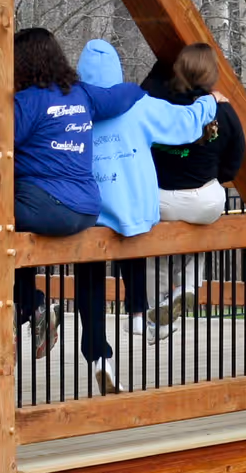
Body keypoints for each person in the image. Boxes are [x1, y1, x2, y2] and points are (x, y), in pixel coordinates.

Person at [70, 39, 222, 392]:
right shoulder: (137, 105)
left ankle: (97, 353)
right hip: (132, 206)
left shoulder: (74, 106)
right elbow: (184, 125)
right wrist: (210, 103)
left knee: (89, 281)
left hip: (87, 210)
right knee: (133, 243)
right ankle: (138, 312)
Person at [10, 27, 147, 359]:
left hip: (46, 208)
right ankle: (30, 304)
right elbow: (127, 93)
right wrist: (150, 91)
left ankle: (30, 303)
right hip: (87, 210)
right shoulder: (82, 95)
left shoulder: (24, 103)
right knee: (10, 222)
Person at [131, 43, 246, 340]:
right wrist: (212, 177)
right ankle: (189, 287)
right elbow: (234, 162)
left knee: (156, 252)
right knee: (199, 230)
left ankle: (157, 314)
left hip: (162, 199)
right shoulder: (223, 110)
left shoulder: (157, 104)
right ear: (212, 73)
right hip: (204, 200)